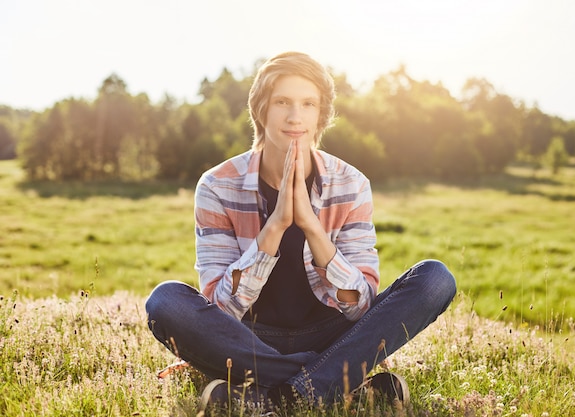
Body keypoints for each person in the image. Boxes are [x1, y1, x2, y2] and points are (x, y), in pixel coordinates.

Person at [145, 51, 457, 412]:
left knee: (435, 278)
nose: (295, 116)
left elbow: (362, 308)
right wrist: (275, 226)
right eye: (282, 102)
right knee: (165, 302)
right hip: (248, 337)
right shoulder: (217, 185)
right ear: (261, 110)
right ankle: (331, 383)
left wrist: (311, 225)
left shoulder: (351, 184)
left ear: (321, 115)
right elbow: (220, 310)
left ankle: (271, 393)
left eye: (308, 104)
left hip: (335, 335)